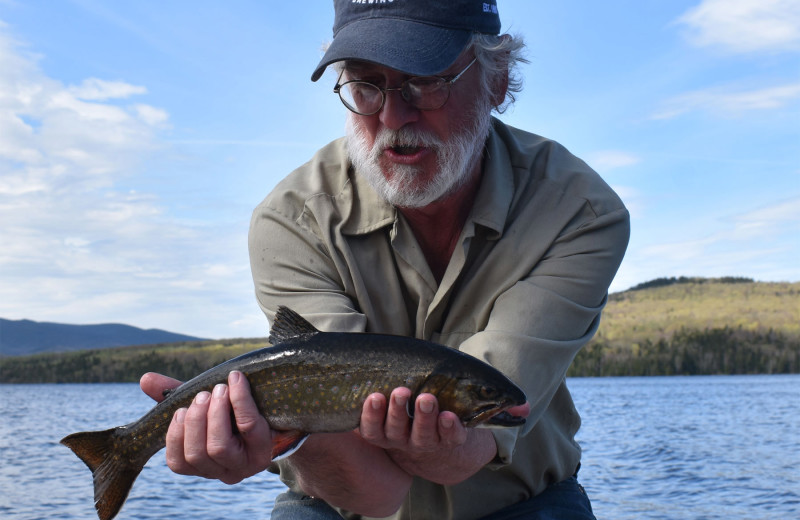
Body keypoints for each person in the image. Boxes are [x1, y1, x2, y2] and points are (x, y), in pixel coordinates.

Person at [140, 1, 630, 518]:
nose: (393, 118)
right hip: (334, 504)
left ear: (497, 82)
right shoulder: (291, 220)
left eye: (425, 82)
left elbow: (468, 449)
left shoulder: (579, 211)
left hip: (525, 504)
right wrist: (289, 436)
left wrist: (436, 441)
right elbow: (370, 493)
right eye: (365, 86)